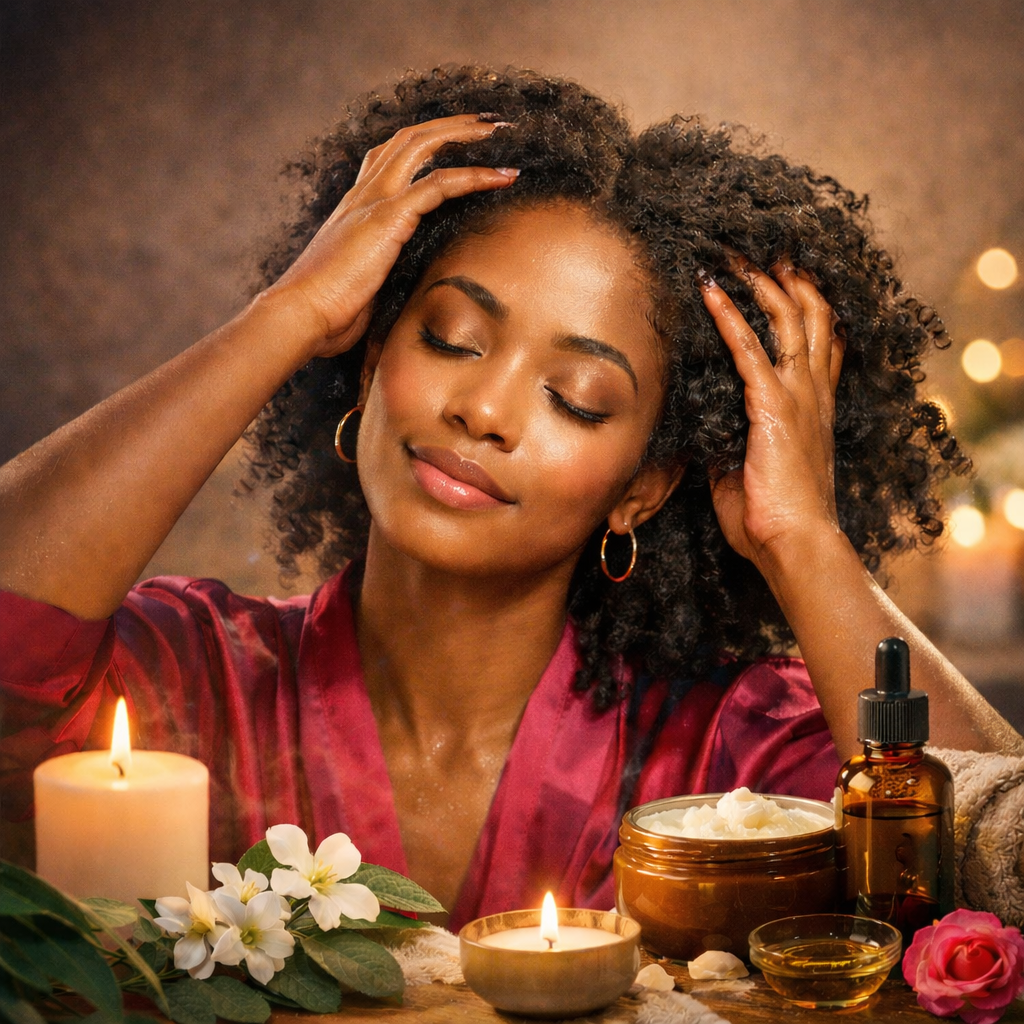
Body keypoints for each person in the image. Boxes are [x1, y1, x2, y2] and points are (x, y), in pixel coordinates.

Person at [1, 65, 1021, 931]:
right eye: (449, 335)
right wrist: (289, 316)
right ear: (368, 360)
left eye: (574, 397)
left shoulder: (731, 755)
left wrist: (799, 535)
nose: (483, 407)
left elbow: (999, 868)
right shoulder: (189, 682)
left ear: (640, 488)